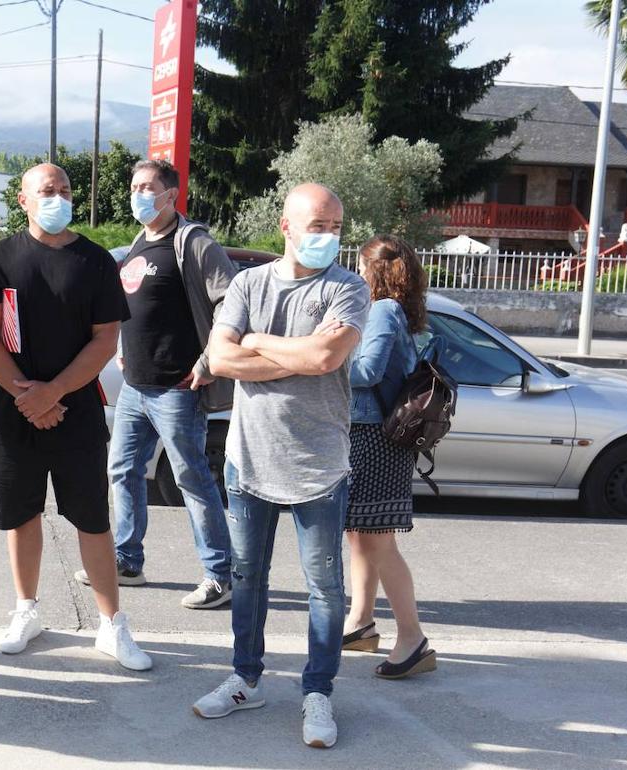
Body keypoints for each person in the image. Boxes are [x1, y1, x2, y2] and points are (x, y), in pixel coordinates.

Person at [197, 183, 370, 748]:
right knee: (247, 580)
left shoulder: (348, 288)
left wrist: (256, 341)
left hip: (319, 468)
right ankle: (246, 678)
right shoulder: (249, 282)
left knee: (325, 588)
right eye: (317, 225)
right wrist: (287, 356)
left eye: (336, 227)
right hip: (248, 463)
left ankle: (317, 692)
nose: (328, 237)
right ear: (286, 226)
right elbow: (220, 358)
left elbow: (325, 357)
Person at [0, 163, 152, 671]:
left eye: (65, 190)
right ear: (23, 200)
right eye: (47, 191)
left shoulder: (93, 261)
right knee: (21, 514)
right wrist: (29, 395)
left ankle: (112, 625)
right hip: (11, 411)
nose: (58, 198)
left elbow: (104, 340)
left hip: (78, 411)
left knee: (92, 518)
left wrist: (54, 393)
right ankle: (26, 611)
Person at [73, 159, 236, 610]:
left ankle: (220, 575)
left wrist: (208, 362)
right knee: (122, 470)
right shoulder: (140, 242)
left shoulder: (194, 243)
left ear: (171, 195)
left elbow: (231, 304)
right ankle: (128, 560)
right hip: (136, 387)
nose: (138, 194)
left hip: (177, 389)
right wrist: (124, 347)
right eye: (134, 186)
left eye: (148, 187)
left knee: (192, 479)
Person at [340, 234, 437, 679]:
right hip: (374, 437)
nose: (357, 273)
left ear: (375, 272)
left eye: (361, 266)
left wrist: (324, 359)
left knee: (377, 539)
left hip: (374, 441)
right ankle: (360, 623)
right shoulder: (395, 310)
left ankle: (413, 638)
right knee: (361, 534)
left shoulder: (381, 310)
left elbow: (367, 371)